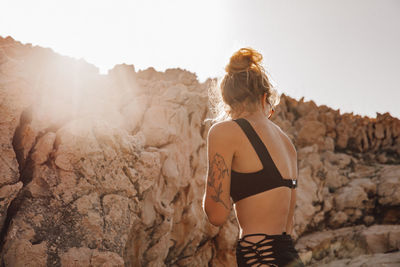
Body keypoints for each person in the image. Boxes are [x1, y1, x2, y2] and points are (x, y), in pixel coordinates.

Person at [203, 47, 305, 267]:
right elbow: (288, 218)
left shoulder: (224, 132)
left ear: (228, 102)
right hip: (290, 257)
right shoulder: (287, 143)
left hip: (260, 257)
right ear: (265, 98)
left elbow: (216, 215)